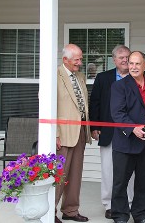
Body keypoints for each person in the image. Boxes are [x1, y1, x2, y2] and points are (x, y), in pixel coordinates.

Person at [110, 51, 145, 223]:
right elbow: (117, 113)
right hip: (126, 142)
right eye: (131, 63)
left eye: (137, 64)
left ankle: (141, 214)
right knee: (120, 182)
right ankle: (120, 216)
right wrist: (132, 128)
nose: (133, 67)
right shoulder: (119, 86)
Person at [89, 45, 143, 219]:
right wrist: (94, 126)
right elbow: (95, 102)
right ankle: (109, 204)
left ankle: (127, 203)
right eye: (121, 58)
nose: (125, 60)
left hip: (131, 131)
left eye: (128, 57)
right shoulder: (103, 78)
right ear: (114, 60)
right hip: (109, 131)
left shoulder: (139, 77)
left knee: (129, 170)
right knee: (108, 169)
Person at [55, 44, 92, 223]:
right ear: (65, 60)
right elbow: (47, 107)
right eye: (76, 59)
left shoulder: (80, 76)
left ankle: (70, 210)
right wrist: (54, 134)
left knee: (75, 175)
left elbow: (83, 105)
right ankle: (49, 211)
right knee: (58, 175)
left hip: (80, 133)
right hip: (62, 135)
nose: (80, 62)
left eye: (80, 58)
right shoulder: (54, 76)